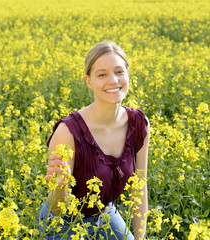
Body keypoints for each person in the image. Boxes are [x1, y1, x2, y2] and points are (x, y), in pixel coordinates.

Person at [39, 41, 150, 240]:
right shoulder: (68, 132)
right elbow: (58, 209)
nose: (113, 80)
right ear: (88, 81)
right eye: (102, 74)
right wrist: (60, 186)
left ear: (128, 74)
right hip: (64, 224)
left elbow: (139, 186)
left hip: (104, 213)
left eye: (119, 71)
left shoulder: (139, 124)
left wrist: (140, 237)